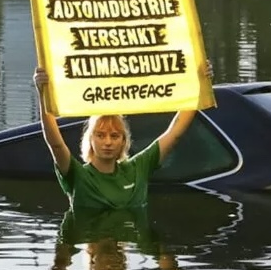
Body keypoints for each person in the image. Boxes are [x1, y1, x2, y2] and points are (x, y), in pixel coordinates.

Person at [33, 61, 211, 210]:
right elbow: (55, 143)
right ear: (90, 140)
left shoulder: (137, 169)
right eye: (101, 135)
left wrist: (200, 84)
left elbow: (175, 134)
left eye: (115, 135)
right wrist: (43, 94)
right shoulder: (78, 175)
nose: (108, 142)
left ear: (124, 141)